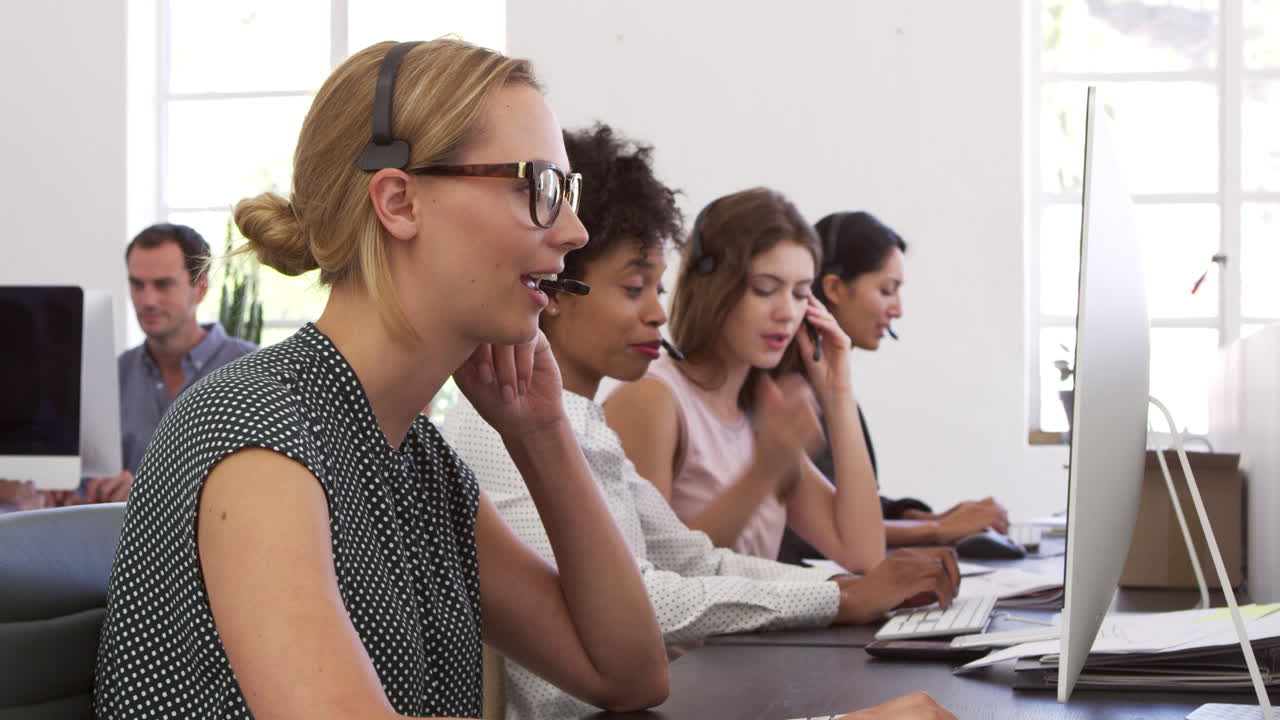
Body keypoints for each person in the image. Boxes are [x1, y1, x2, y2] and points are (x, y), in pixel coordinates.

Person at [94, 39, 668, 720]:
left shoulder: (416, 461)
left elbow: (629, 674)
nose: (574, 230)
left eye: (564, 193)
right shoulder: (254, 429)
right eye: (536, 187)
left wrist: (541, 431)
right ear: (399, 202)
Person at [443, 124, 956, 720]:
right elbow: (648, 597)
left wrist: (841, 593)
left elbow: (693, 561)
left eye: (658, 287)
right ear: (551, 289)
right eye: (635, 288)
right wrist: (835, 599)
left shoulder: (579, 421)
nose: (658, 311)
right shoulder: (501, 429)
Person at [603, 188, 892, 574]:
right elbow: (653, 574)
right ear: (712, 285)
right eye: (765, 289)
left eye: (801, 293)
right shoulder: (653, 398)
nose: (787, 313)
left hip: (757, 635)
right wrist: (763, 473)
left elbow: (863, 553)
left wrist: (837, 392)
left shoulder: (760, 409)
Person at [777, 211, 1009, 563]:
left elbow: (845, 500)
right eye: (887, 290)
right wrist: (936, 531)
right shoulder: (787, 394)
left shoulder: (830, 388)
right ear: (835, 288)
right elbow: (807, 528)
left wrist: (927, 518)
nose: (897, 309)